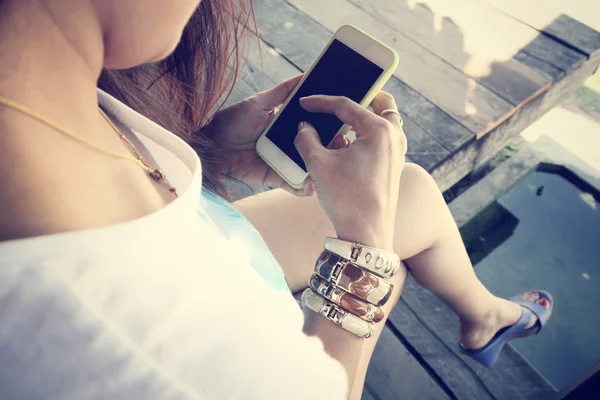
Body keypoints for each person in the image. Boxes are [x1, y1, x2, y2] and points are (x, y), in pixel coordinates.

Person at [0, 0, 552, 399]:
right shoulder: (141, 348)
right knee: (393, 260)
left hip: (203, 246)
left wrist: (209, 151)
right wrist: (364, 243)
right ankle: (489, 319)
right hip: (207, 302)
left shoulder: (34, 84)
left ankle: (486, 318)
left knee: (411, 191)